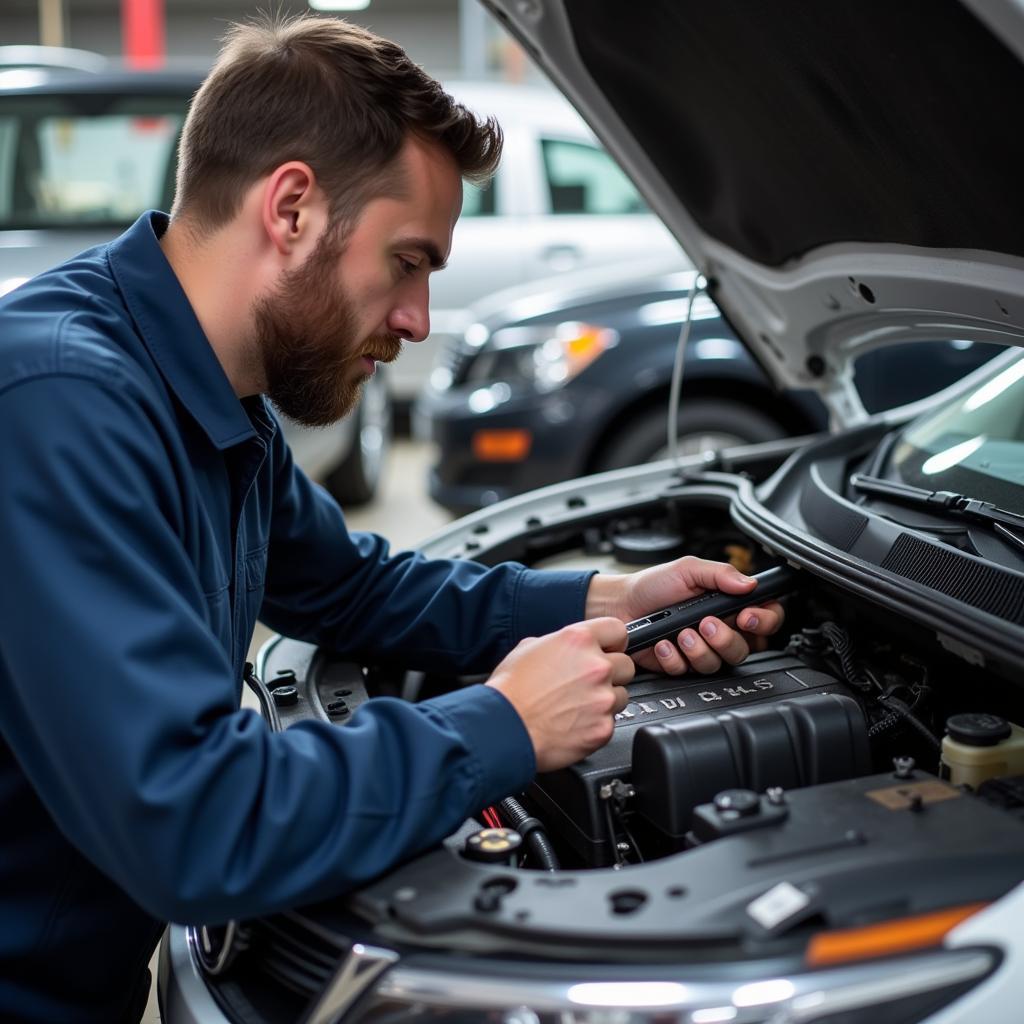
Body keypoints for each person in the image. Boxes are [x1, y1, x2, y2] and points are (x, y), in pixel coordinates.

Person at [0, 16, 783, 1022]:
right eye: (408, 261)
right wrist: (501, 724)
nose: (416, 318)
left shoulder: (208, 392)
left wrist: (611, 595)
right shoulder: (58, 404)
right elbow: (190, 822)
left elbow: (355, 585)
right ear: (290, 207)